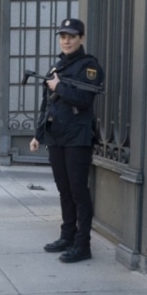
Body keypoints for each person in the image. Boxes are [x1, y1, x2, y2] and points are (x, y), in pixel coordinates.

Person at [29, 18, 105, 263]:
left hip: (78, 138)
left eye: (72, 36)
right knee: (64, 191)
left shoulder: (89, 66)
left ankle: (83, 245)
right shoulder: (57, 66)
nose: (67, 40)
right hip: (57, 136)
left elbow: (85, 100)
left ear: (81, 38)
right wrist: (38, 134)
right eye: (63, 36)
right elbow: (47, 104)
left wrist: (59, 86)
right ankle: (67, 236)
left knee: (78, 192)